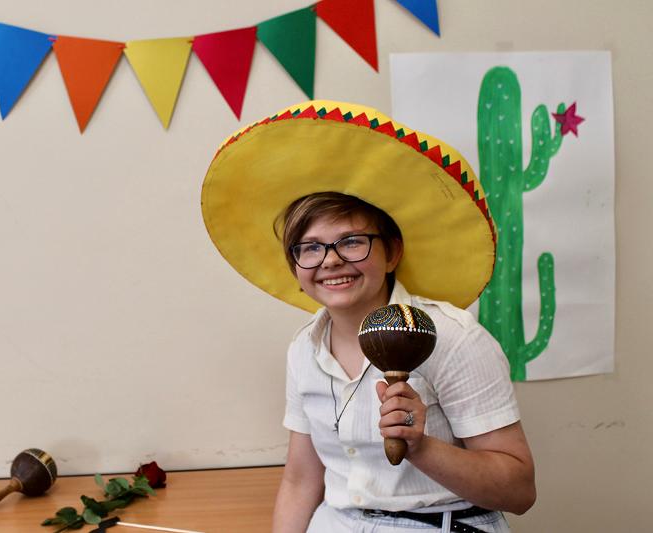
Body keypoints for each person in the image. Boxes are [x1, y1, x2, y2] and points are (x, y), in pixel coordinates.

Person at [200, 100, 535, 533]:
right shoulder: (304, 348)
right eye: (310, 248)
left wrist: (421, 447)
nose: (331, 261)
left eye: (352, 242)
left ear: (392, 253)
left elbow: (519, 490)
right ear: (296, 267)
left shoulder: (453, 337)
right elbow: (300, 481)